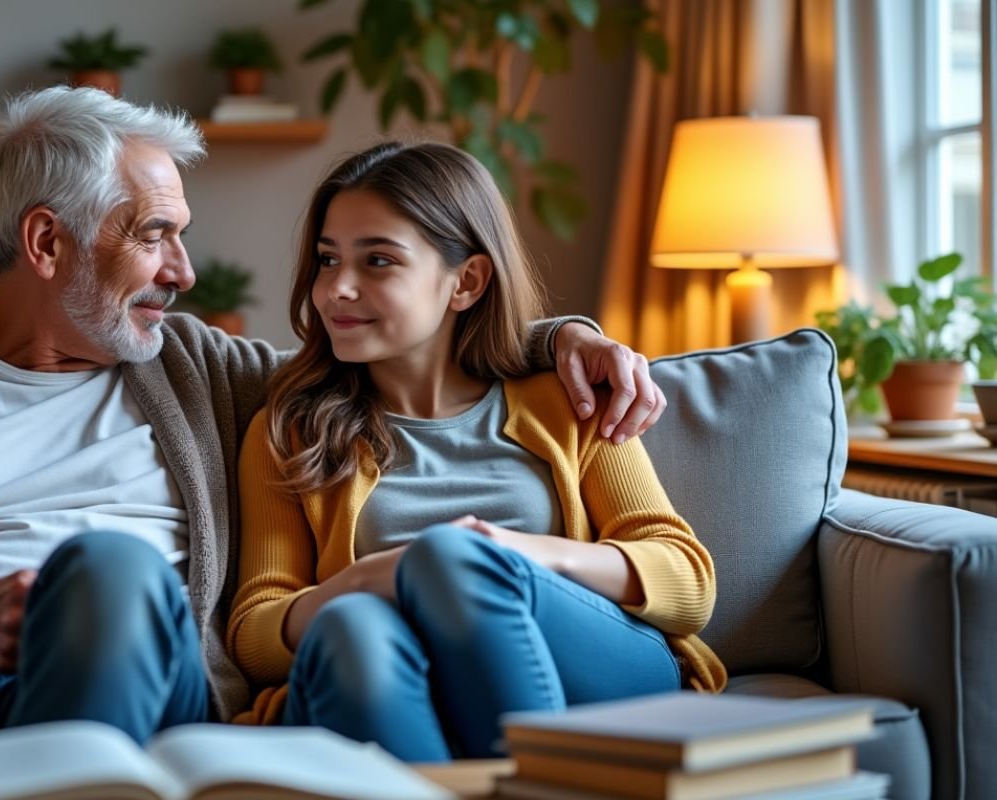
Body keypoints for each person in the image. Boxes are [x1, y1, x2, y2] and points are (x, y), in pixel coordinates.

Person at [0, 88, 669, 767]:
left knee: (111, 567)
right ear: (47, 244)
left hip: (129, 667)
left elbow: (399, 341)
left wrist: (562, 339)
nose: (182, 271)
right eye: (152, 234)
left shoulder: (205, 367)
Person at [228, 141, 727, 762]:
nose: (337, 290)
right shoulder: (292, 431)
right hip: (391, 673)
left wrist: (512, 556)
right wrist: (372, 579)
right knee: (351, 625)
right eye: (328, 261)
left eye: (378, 260)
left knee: (453, 560)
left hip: (592, 665)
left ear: (466, 281)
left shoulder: (566, 404)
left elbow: (686, 579)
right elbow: (255, 633)